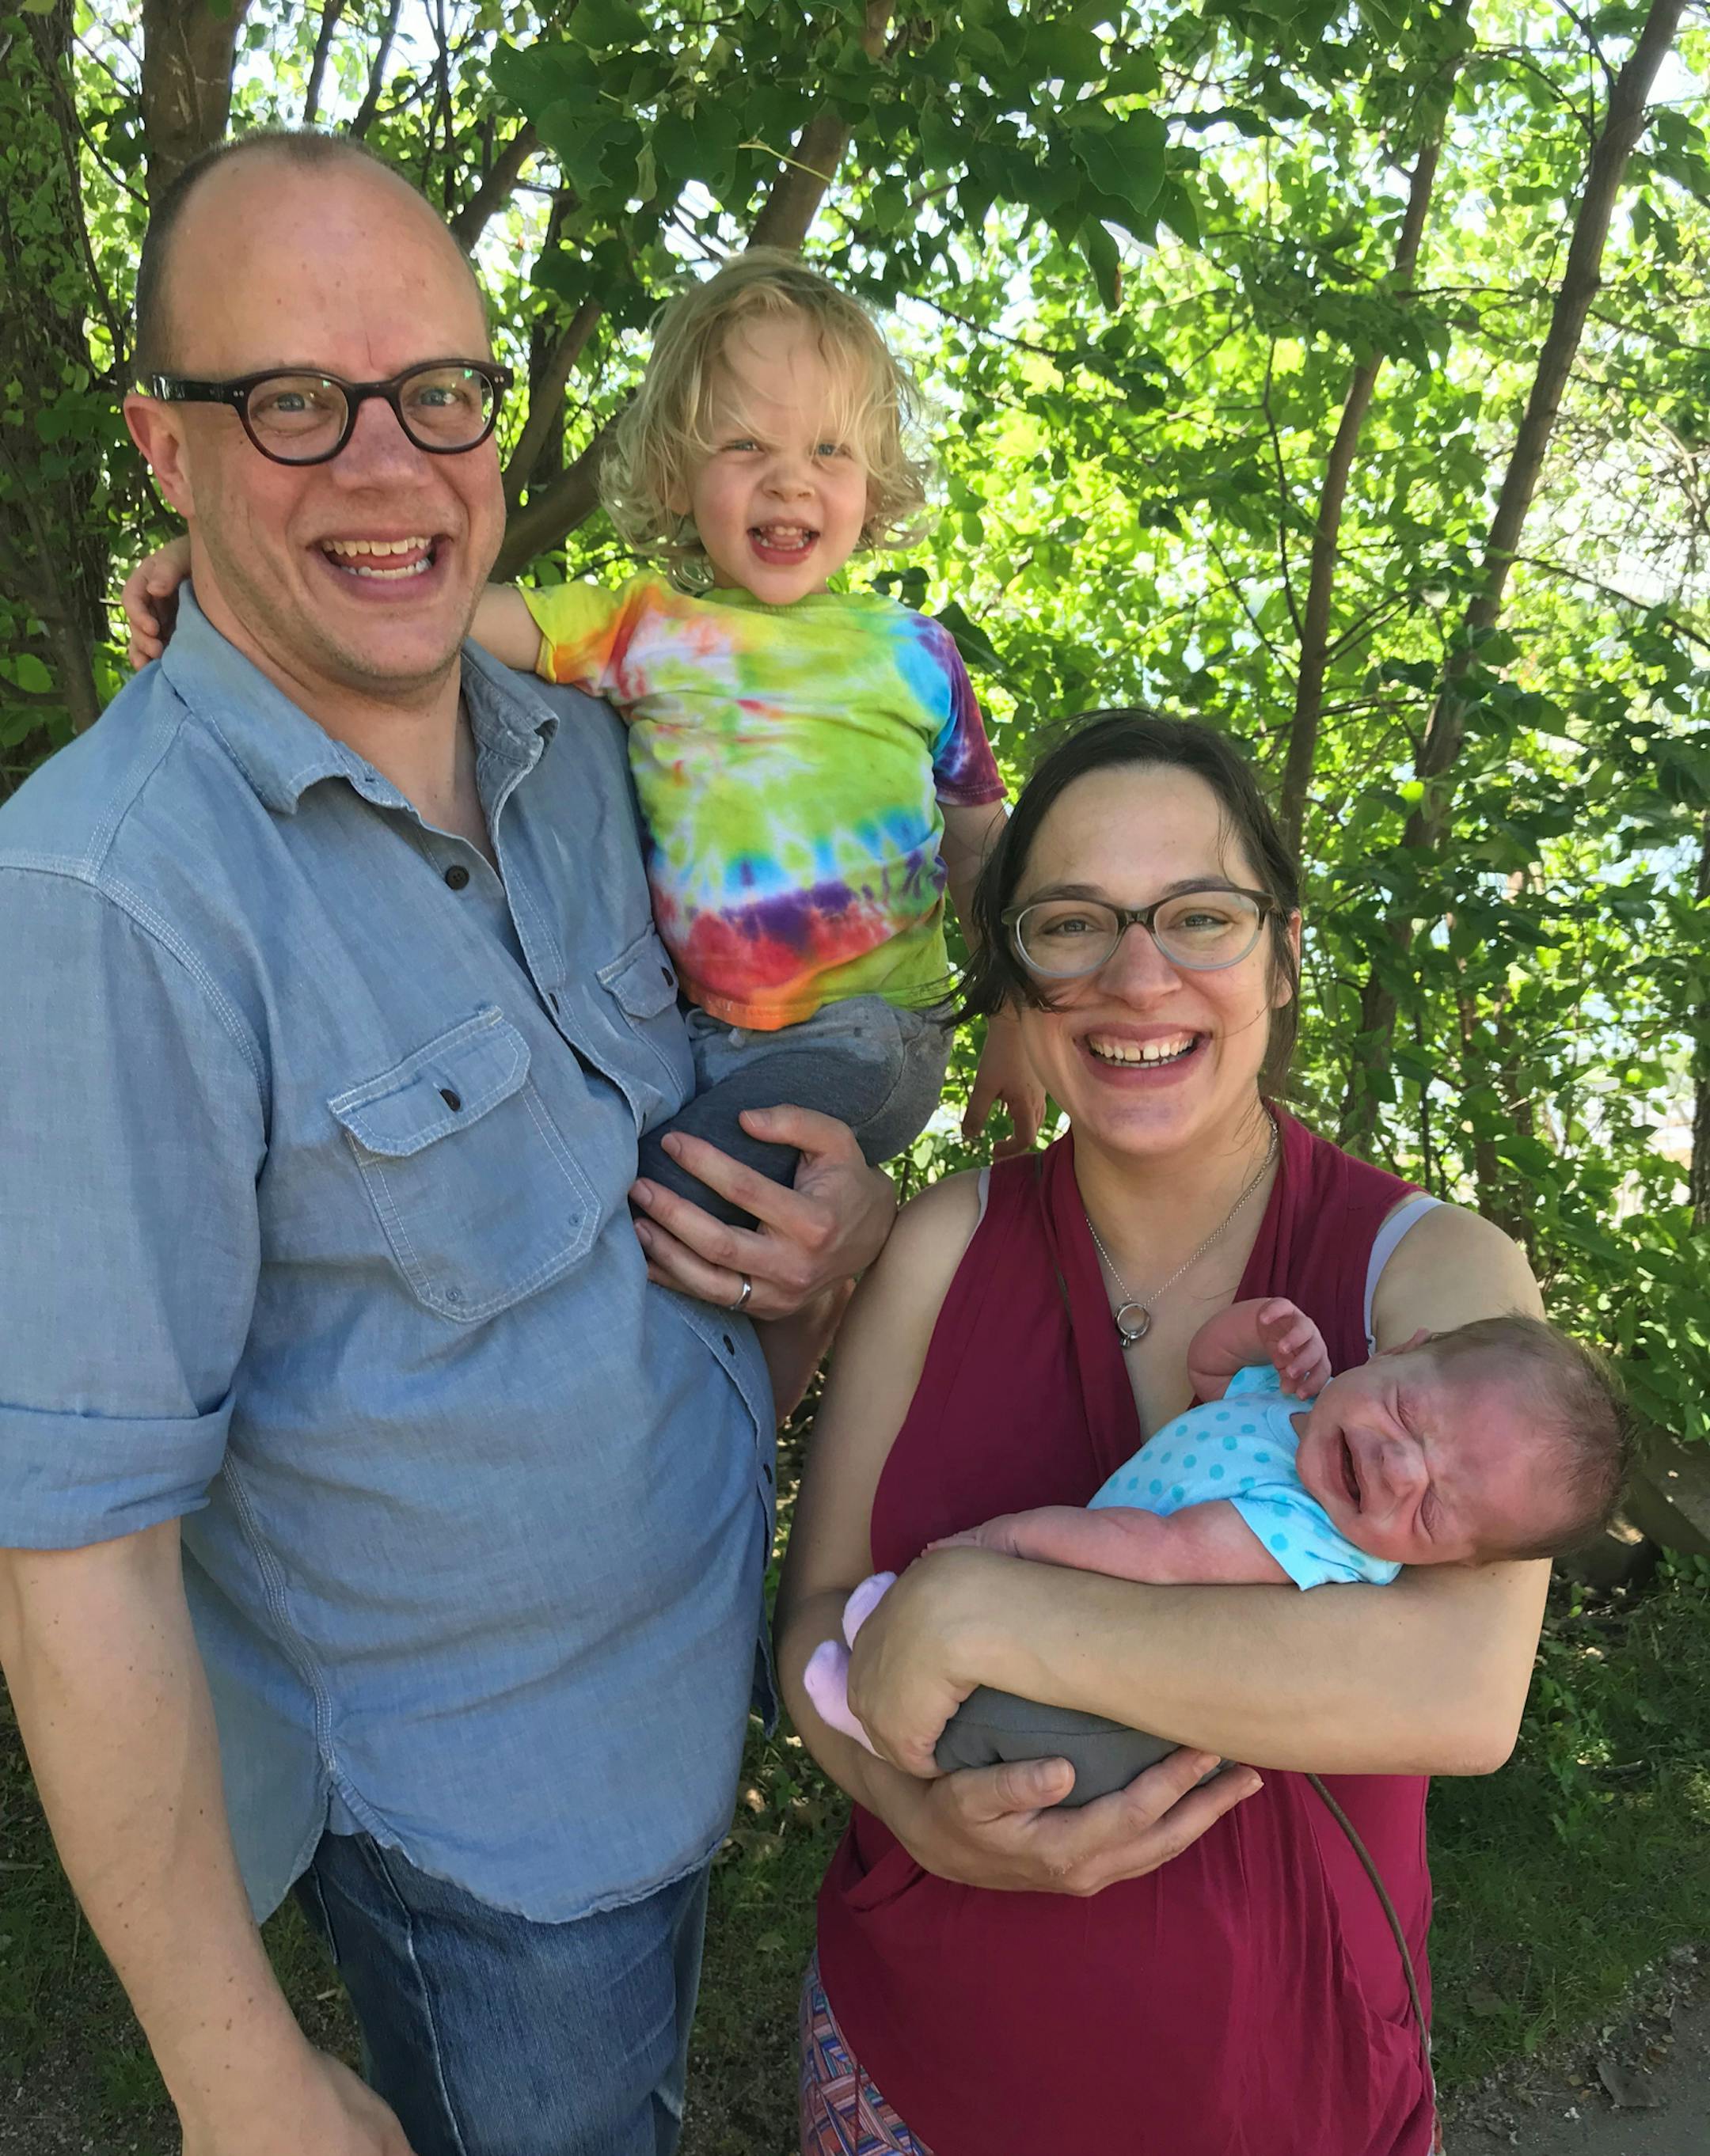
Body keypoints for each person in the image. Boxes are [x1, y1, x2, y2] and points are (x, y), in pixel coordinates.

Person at [0, 131, 898, 2156]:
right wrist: (238, 2084)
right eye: (295, 403)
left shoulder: (597, 753)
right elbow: (73, 1563)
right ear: (165, 443)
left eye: (439, 393)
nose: (391, 468)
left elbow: (711, 1105)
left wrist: (840, 1225)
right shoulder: (105, 901)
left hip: (694, 1708)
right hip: (482, 1844)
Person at [775, 708, 1555, 2156]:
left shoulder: (1435, 1276)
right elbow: (815, 1614)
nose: (1139, 976)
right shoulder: (942, 1246)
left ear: (1282, 947)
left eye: (1200, 914)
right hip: (919, 2070)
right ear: (1017, 970)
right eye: (1072, 923)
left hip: (1291, 2090)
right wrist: (908, 1800)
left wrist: (977, 1609)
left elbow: (1462, 1689)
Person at [122, 250, 1044, 1224]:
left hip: (874, 1030)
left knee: (654, 1212)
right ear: (678, 478)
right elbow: (428, 610)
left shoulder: (914, 656)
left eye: (829, 452)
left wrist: (1020, 1016)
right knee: (652, 1199)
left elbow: (987, 848)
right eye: (745, 449)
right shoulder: (642, 631)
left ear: (875, 482)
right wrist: (231, 559)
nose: (791, 485)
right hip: (708, 1040)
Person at [804, 1300, 1626, 1797]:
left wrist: (1002, 1544)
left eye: (1439, 1511)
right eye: (1410, 1413)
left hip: (1095, 1701)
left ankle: (890, 1728)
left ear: (1454, 1566)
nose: (1398, 1466)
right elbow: (1204, 1371)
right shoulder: (1292, 1405)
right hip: (1077, 1612)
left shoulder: (1306, 1537)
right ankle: (882, 1683)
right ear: (1402, 1349)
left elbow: (1155, 1552)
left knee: (999, 1717)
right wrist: (1262, 1329)